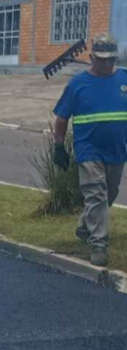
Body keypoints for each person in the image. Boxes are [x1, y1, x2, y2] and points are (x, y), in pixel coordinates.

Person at [52, 33, 124, 266]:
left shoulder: (124, 80)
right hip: (88, 149)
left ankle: (85, 227)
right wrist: (58, 146)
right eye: (101, 59)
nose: (106, 64)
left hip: (117, 150)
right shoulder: (77, 84)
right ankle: (98, 244)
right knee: (95, 193)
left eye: (110, 60)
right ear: (91, 57)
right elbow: (62, 117)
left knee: (109, 193)